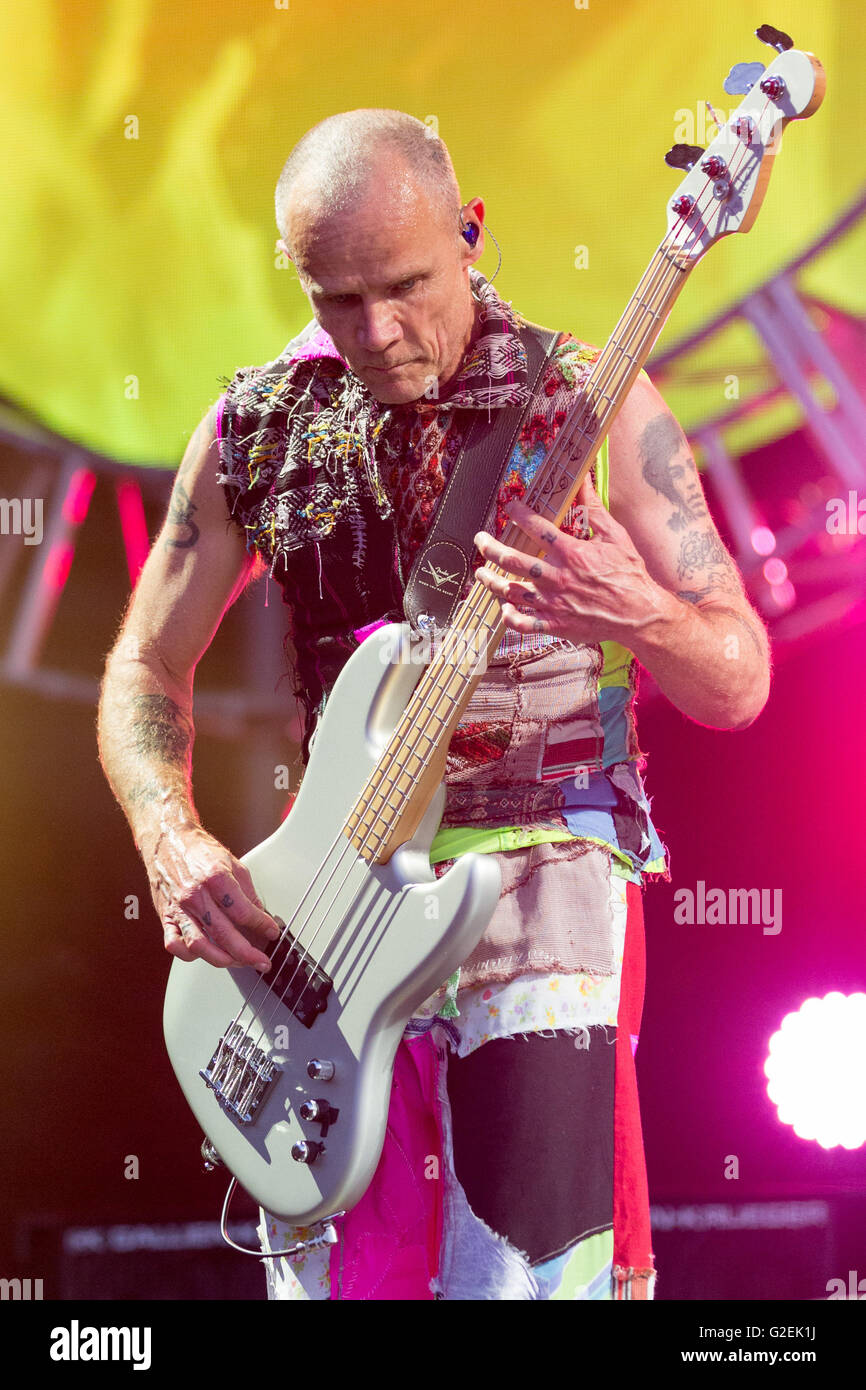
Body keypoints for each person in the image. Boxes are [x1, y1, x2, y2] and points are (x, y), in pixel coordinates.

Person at [97, 108, 771, 1301]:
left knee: (520, 1277)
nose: (376, 331)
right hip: (328, 904)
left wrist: (641, 615)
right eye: (334, 297)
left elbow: (736, 677)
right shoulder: (253, 424)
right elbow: (145, 663)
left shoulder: (587, 398)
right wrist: (166, 833)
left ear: (470, 234)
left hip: (548, 882)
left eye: (404, 285)